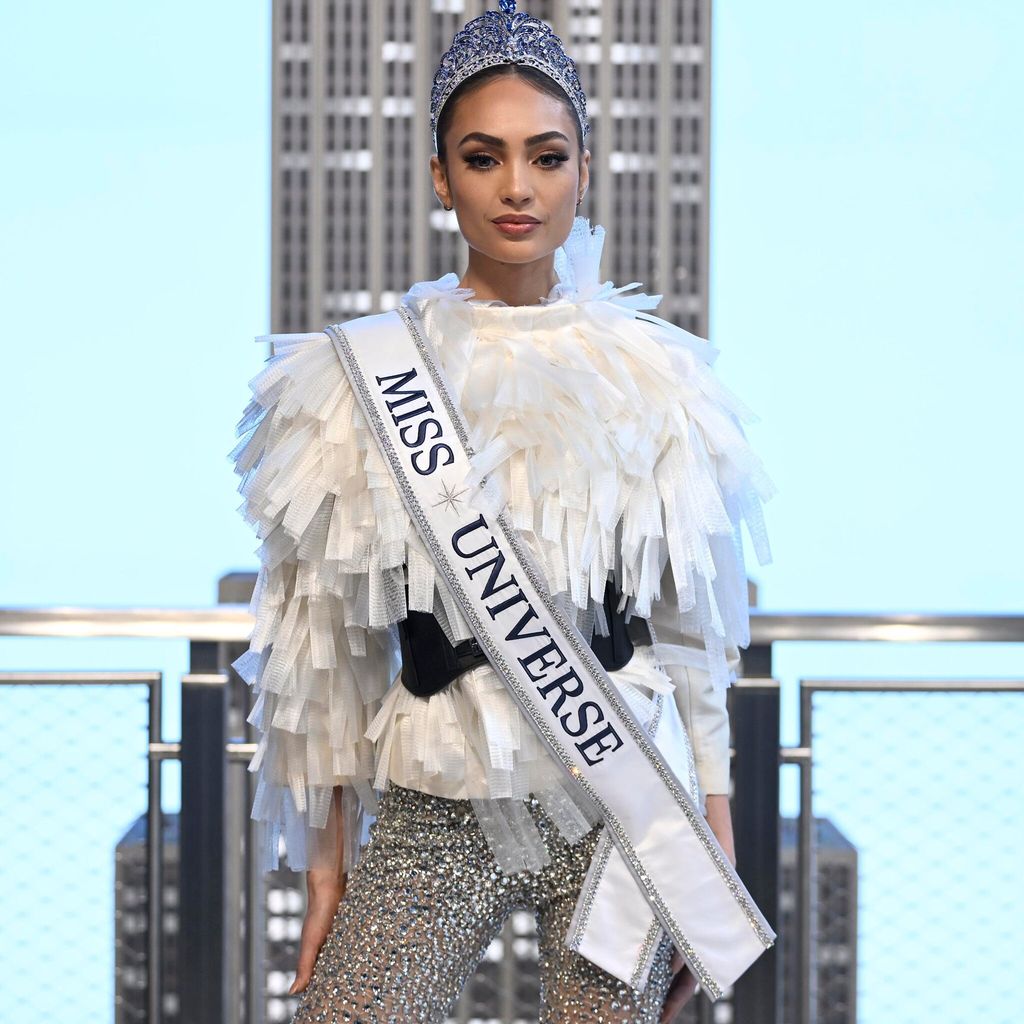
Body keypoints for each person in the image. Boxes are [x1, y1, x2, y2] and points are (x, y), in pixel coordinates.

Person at [228, 3, 775, 1021]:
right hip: (436, 805)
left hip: (621, 811)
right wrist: (326, 872)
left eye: (545, 156)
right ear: (440, 175)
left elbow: (692, 635)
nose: (517, 188)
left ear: (582, 169)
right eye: (483, 158)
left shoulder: (655, 376)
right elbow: (321, 656)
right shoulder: (356, 380)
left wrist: (711, 841)